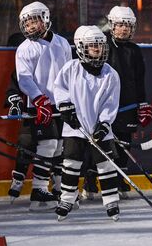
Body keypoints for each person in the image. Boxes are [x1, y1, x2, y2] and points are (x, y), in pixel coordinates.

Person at [53, 25, 121, 221]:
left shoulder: (111, 74)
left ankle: (111, 201)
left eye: (100, 45)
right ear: (82, 47)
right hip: (75, 129)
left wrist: (104, 125)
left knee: (106, 165)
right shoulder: (71, 68)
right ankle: (67, 199)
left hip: (100, 131)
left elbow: (110, 103)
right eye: (92, 45)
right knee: (71, 164)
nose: (97, 49)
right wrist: (65, 108)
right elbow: (60, 89)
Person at [15, 1, 72, 210]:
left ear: (45, 19)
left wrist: (70, 98)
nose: (30, 27)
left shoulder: (62, 44)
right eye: (27, 24)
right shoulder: (25, 48)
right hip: (38, 105)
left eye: (34, 22)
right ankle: (38, 188)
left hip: (59, 103)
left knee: (58, 146)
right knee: (47, 145)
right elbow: (24, 79)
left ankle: (57, 188)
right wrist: (39, 99)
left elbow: (68, 74)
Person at [105, 6, 152, 197]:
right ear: (112, 25)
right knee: (103, 144)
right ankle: (92, 181)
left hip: (128, 104)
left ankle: (119, 179)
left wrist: (142, 103)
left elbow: (139, 78)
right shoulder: (103, 45)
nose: (123, 29)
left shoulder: (134, 50)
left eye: (127, 25)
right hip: (107, 104)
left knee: (123, 142)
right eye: (120, 25)